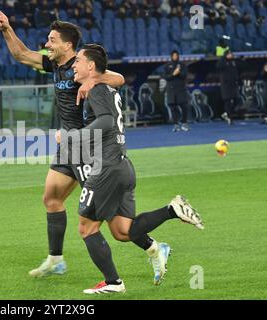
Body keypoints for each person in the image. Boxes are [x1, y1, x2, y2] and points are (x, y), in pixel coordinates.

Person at [0, 8, 125, 278]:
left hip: (88, 147)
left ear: (67, 45)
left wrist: (94, 79)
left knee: (114, 221)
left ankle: (152, 246)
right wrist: (6, 29)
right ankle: (56, 260)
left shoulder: (82, 64)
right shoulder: (55, 64)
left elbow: (119, 78)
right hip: (68, 145)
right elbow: (21, 54)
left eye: (51, 40)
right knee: (51, 198)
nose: (46, 44)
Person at [63, 44, 204, 293]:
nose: (74, 64)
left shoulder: (96, 89)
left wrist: (73, 137)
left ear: (91, 66)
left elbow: (106, 121)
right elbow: (116, 84)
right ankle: (172, 209)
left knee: (86, 227)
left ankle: (113, 283)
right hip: (121, 166)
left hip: (105, 169)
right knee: (122, 231)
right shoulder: (107, 87)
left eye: (78, 61)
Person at [163, 50, 191, 132]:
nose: (175, 57)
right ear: (171, 56)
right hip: (171, 90)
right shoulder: (167, 66)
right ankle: (176, 124)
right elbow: (166, 77)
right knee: (173, 107)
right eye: (173, 55)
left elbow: (184, 76)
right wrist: (173, 74)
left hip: (181, 89)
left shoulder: (182, 65)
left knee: (184, 107)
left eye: (176, 55)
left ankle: (184, 123)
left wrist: (178, 73)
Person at [217, 49, 239, 125]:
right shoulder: (222, 61)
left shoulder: (233, 62)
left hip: (233, 84)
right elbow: (218, 66)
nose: (231, 55)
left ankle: (226, 113)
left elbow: (236, 71)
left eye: (231, 54)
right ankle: (230, 118)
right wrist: (223, 59)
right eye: (229, 54)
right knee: (227, 101)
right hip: (225, 85)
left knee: (237, 100)